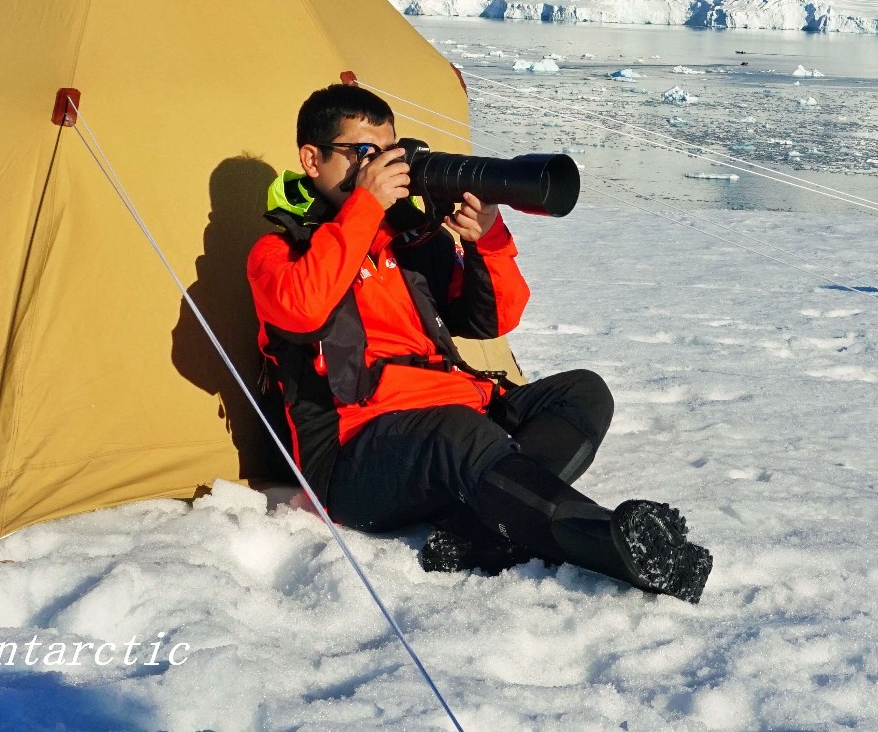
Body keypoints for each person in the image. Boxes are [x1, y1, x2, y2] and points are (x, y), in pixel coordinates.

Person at [246, 82, 711, 602]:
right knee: (461, 434)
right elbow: (303, 307)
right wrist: (364, 207)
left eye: (389, 154)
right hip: (355, 461)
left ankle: (478, 531)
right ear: (312, 159)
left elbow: (494, 319)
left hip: (458, 417)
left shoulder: (404, 242)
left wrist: (487, 237)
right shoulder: (280, 251)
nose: (382, 170)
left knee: (583, 391)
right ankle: (610, 542)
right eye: (363, 155)